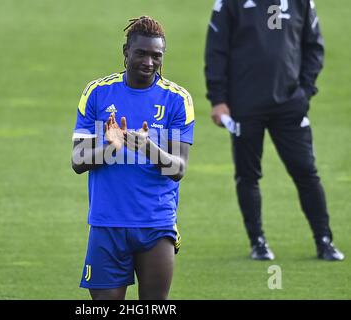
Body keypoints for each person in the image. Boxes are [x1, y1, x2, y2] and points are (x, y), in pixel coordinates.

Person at [204, 0, 344, 261]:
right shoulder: (229, 4)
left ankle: (324, 240)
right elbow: (216, 51)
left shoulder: (301, 2)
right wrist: (218, 99)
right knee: (247, 175)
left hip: (290, 104)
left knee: (305, 171)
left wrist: (304, 91)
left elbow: (314, 47)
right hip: (244, 105)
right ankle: (257, 242)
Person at [71, 16, 195, 299]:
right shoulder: (97, 93)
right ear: (126, 51)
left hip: (156, 223)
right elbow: (78, 161)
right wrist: (111, 147)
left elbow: (178, 169)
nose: (149, 62)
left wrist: (147, 147)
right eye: (141, 53)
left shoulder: (177, 100)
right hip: (107, 222)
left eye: (156, 56)